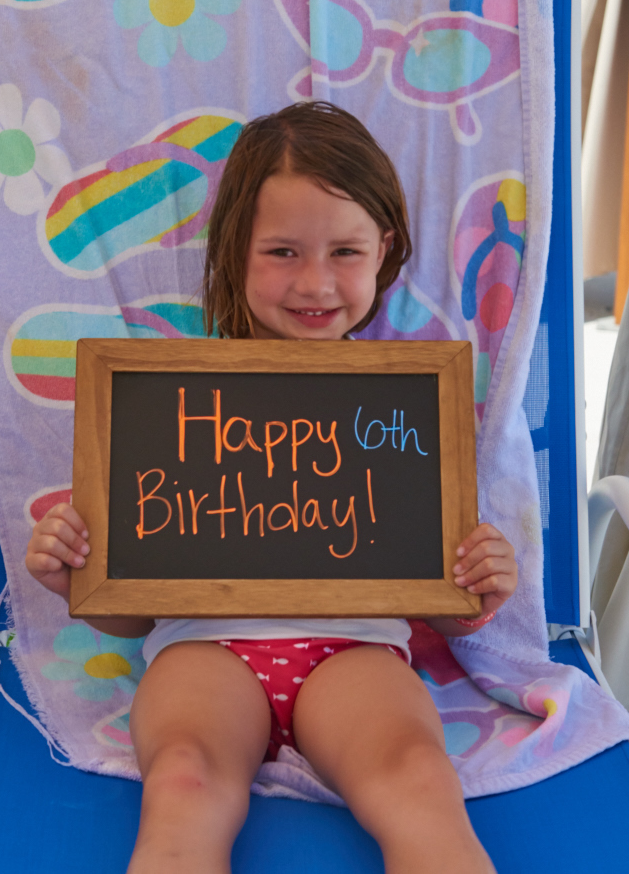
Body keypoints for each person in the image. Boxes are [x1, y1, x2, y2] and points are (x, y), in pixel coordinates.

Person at [26, 102, 515, 874]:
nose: (315, 282)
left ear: (384, 251)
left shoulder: (409, 399)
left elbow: (437, 595)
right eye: (283, 251)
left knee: (420, 781)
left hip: (356, 654)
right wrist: (72, 577)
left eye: (345, 251)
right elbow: (128, 617)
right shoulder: (169, 398)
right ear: (235, 253)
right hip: (202, 654)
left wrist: (476, 594)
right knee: (185, 781)